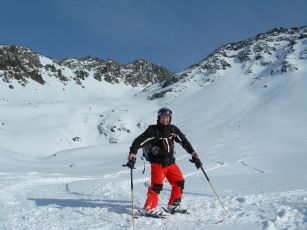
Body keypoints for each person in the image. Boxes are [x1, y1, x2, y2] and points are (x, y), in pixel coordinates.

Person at [127, 107, 199, 214]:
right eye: (163, 117)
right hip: (158, 163)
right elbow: (139, 141)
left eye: (167, 117)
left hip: (171, 163)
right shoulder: (153, 130)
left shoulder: (173, 129)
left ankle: (173, 205)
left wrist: (192, 152)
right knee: (156, 187)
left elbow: (183, 141)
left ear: (170, 118)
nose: (165, 119)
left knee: (179, 183)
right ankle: (148, 208)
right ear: (159, 118)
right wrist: (132, 153)